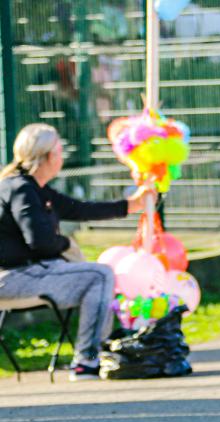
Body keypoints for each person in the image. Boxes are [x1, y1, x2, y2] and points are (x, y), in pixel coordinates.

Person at [0, 123, 154, 381]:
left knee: (97, 277)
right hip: (13, 278)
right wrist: (66, 244)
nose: (63, 155)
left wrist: (129, 205)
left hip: (27, 273)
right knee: (100, 275)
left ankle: (97, 353)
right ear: (48, 156)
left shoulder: (34, 188)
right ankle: (86, 360)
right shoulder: (20, 188)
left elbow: (79, 209)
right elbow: (40, 242)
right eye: (60, 150)